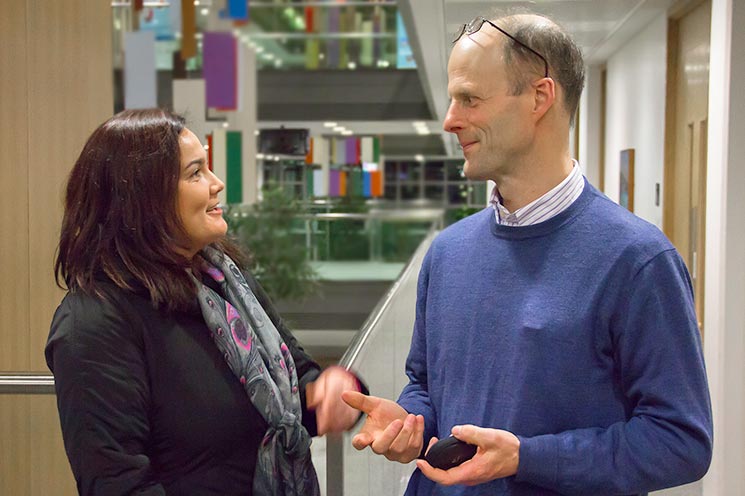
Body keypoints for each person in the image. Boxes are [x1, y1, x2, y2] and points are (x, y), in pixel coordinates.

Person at [342, 12, 713, 495]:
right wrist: (412, 424)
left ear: (540, 97)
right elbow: (426, 385)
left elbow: (680, 441)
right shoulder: (447, 254)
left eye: (469, 99)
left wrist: (528, 458)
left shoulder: (638, 261)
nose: (451, 120)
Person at [45, 108, 364, 495]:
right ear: (143, 198)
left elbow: (296, 385)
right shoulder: (94, 323)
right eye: (195, 173)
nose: (216, 184)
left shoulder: (224, 281)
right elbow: (118, 483)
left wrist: (333, 391)